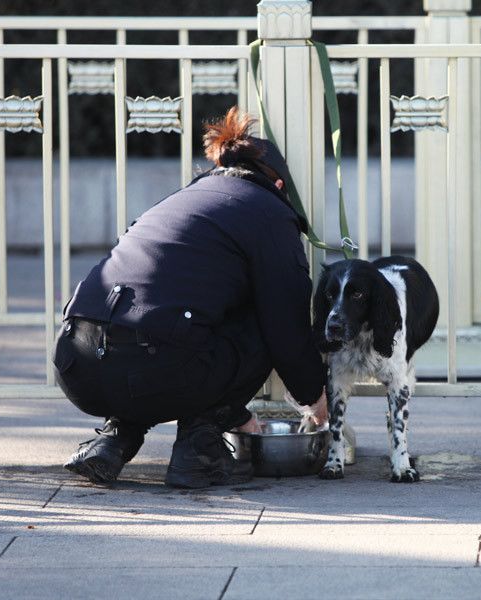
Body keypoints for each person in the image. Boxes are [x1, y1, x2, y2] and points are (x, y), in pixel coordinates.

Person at [53, 107, 328, 489]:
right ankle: (199, 451)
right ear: (278, 186)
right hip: (157, 365)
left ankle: (114, 440)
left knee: (155, 336)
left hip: (76, 364)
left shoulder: (181, 200)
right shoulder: (268, 212)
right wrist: (313, 397)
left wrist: (236, 413)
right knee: (263, 312)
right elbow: (286, 324)